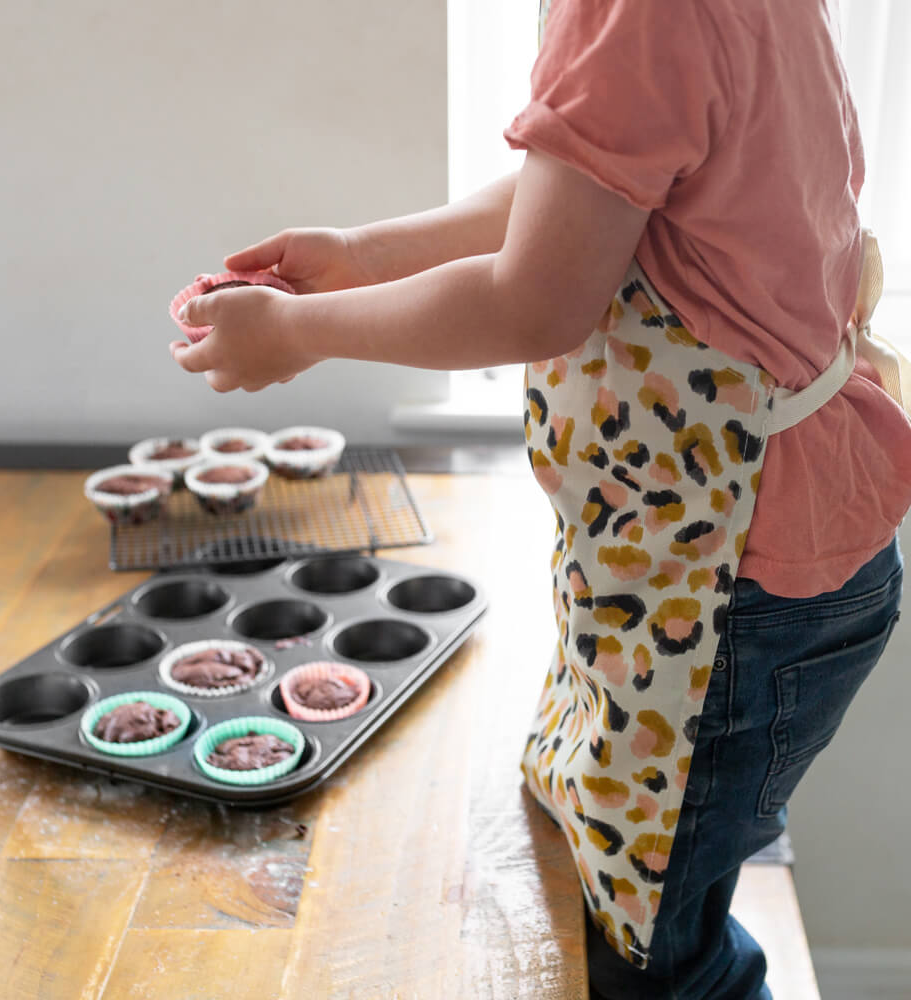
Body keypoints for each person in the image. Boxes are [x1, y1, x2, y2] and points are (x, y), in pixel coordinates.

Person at [170, 1, 911, 996]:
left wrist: (302, 333)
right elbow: (593, 185)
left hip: (727, 582)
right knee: (621, 885)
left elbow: (537, 297)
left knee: (658, 959)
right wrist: (362, 254)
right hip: (689, 560)